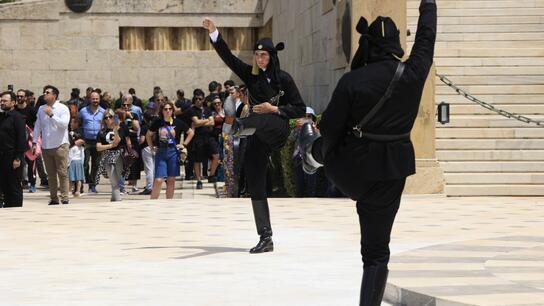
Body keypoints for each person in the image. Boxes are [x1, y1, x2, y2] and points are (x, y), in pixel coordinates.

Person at [298, 1, 437, 304]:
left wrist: (321, 151)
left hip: (351, 171)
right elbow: (427, 37)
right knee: (376, 253)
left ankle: (310, 156)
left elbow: (332, 129)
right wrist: (428, 4)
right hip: (391, 172)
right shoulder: (413, 73)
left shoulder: (352, 81)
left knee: (320, 140)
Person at [203, 17, 306, 253]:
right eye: (257, 56)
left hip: (277, 128)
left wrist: (276, 109)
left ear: (271, 56)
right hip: (257, 134)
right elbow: (229, 57)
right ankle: (266, 237)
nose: (259, 59)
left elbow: (299, 108)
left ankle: (239, 125)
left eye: (264, 55)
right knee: (255, 179)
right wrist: (214, 33)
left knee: (262, 116)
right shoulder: (251, 76)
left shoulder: (284, 79)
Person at [33, 85, 71, 205]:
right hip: (46, 146)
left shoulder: (62, 108)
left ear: (54, 95)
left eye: (47, 92)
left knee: (62, 173)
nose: (44, 94)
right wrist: (34, 142)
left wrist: (52, 115)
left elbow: (64, 125)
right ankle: (54, 198)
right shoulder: (41, 109)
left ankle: (65, 197)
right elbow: (38, 126)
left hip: (60, 145)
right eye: (44, 92)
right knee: (51, 175)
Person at [147, 101, 194, 199]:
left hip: (173, 152)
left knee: (171, 179)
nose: (168, 111)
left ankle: (169, 202)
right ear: (162, 111)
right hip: (161, 152)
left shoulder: (178, 122)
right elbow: (148, 135)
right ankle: (152, 202)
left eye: (170, 109)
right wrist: (151, 147)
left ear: (172, 110)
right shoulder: (158, 122)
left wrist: (184, 144)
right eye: (165, 109)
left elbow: (190, 132)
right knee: (159, 180)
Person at [189, 89, 219, 189]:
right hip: (198, 138)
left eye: (200, 99)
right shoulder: (192, 110)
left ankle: (211, 175)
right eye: (196, 98)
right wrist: (206, 120)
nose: (198, 100)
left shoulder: (207, 109)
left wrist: (201, 122)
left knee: (216, 155)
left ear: (203, 99)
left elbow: (213, 123)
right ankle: (198, 180)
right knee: (198, 160)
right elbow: (196, 123)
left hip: (209, 137)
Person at [0, 91, 26, 208]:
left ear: (13, 102)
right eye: (1, 101)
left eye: (5, 101)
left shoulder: (18, 117)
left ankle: (16, 208)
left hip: (13, 157)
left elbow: (21, 139)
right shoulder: (2, 116)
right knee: (4, 183)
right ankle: (7, 206)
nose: (2, 103)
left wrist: (18, 158)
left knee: (14, 185)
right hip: (2, 156)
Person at [95, 109, 128, 202]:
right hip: (107, 157)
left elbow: (117, 141)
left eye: (110, 116)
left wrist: (115, 129)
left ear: (114, 117)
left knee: (116, 180)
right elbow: (98, 147)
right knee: (114, 180)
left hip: (118, 156)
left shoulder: (120, 128)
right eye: (106, 117)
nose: (108, 119)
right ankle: (118, 200)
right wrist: (110, 146)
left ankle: (113, 199)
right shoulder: (101, 132)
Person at [79, 91, 105, 193]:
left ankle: (92, 185)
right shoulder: (83, 111)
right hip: (86, 141)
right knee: (84, 163)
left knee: (96, 164)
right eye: (93, 99)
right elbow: (78, 124)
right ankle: (88, 179)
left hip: (98, 142)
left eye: (97, 99)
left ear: (99, 99)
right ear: (89, 99)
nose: (95, 101)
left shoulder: (104, 112)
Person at [139, 111, 157, 195]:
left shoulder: (144, 127)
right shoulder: (154, 126)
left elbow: (142, 139)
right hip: (155, 147)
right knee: (153, 168)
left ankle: (149, 188)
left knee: (148, 169)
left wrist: (137, 143)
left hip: (146, 148)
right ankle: (154, 186)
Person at [211, 96, 225, 182]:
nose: (217, 105)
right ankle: (216, 174)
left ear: (221, 103)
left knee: (223, 155)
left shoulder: (225, 112)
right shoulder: (212, 113)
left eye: (218, 103)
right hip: (214, 136)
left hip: (224, 135)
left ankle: (222, 175)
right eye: (215, 103)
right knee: (216, 155)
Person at [68, 128, 85, 197]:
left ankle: (73, 190)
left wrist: (68, 163)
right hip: (77, 162)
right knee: (76, 178)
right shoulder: (80, 147)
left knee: (73, 178)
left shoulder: (73, 147)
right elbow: (82, 155)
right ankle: (75, 191)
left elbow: (70, 156)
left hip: (73, 162)